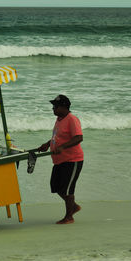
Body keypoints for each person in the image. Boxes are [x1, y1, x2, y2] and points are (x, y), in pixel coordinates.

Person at [38, 94, 84, 224]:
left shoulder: (72, 119)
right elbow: (58, 137)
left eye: (56, 106)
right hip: (59, 160)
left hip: (72, 160)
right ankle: (73, 206)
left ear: (64, 107)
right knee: (56, 186)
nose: (53, 108)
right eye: (53, 106)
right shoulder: (59, 119)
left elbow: (78, 138)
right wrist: (47, 144)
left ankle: (69, 217)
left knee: (68, 189)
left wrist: (62, 147)